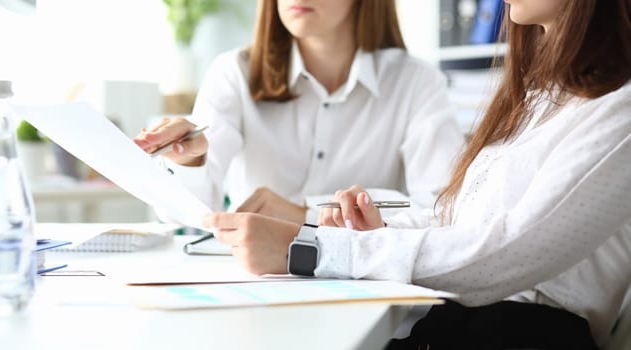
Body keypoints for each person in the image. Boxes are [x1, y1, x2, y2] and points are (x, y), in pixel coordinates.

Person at [203, 0, 631, 348]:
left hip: (520, 333)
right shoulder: (540, 99)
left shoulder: (619, 109)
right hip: (462, 322)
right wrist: (368, 230)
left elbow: (512, 250)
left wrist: (315, 250)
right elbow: (455, 218)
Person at [135, 0, 464, 224]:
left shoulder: (416, 83)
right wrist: (190, 159)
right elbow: (188, 214)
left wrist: (305, 213)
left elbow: (445, 210)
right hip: (252, 284)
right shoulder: (233, 73)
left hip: (361, 288)